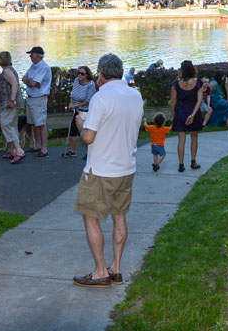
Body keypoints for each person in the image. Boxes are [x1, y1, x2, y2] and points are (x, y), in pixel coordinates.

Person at [72, 53, 143, 288]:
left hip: (101, 170)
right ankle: (116, 268)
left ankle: (100, 272)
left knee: (90, 217)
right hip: (126, 168)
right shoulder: (135, 95)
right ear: (120, 72)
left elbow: (88, 137)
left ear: (100, 73)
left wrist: (81, 125)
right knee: (119, 216)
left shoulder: (100, 98)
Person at [170, 60, 203, 172]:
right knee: (194, 137)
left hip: (180, 112)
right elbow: (199, 100)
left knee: (181, 139)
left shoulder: (176, 84)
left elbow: (173, 101)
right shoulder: (198, 82)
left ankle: (181, 164)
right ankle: (193, 162)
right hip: (194, 111)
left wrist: (173, 115)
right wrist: (193, 114)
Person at [0, 51, 25, 164]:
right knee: (12, 125)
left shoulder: (7, 71)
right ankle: (13, 151)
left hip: (10, 103)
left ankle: (19, 150)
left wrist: (12, 100)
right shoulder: (8, 70)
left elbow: (14, 84)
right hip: (10, 102)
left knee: (5, 124)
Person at [22, 46, 52, 157]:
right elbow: (24, 78)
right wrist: (30, 82)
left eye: (32, 54)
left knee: (41, 124)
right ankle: (37, 146)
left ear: (38, 55)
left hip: (39, 99)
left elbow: (33, 83)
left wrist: (30, 82)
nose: (30, 56)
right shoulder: (33, 66)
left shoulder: (43, 67)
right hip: (31, 97)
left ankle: (44, 149)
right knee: (34, 123)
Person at [66, 66, 97, 158]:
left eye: (82, 73)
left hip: (86, 111)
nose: (79, 75)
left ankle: (90, 153)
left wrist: (76, 106)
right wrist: (71, 103)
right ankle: (72, 151)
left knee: (86, 132)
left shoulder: (90, 84)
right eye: (78, 73)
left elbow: (88, 100)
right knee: (73, 130)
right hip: (76, 109)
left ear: (87, 75)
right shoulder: (76, 81)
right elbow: (73, 94)